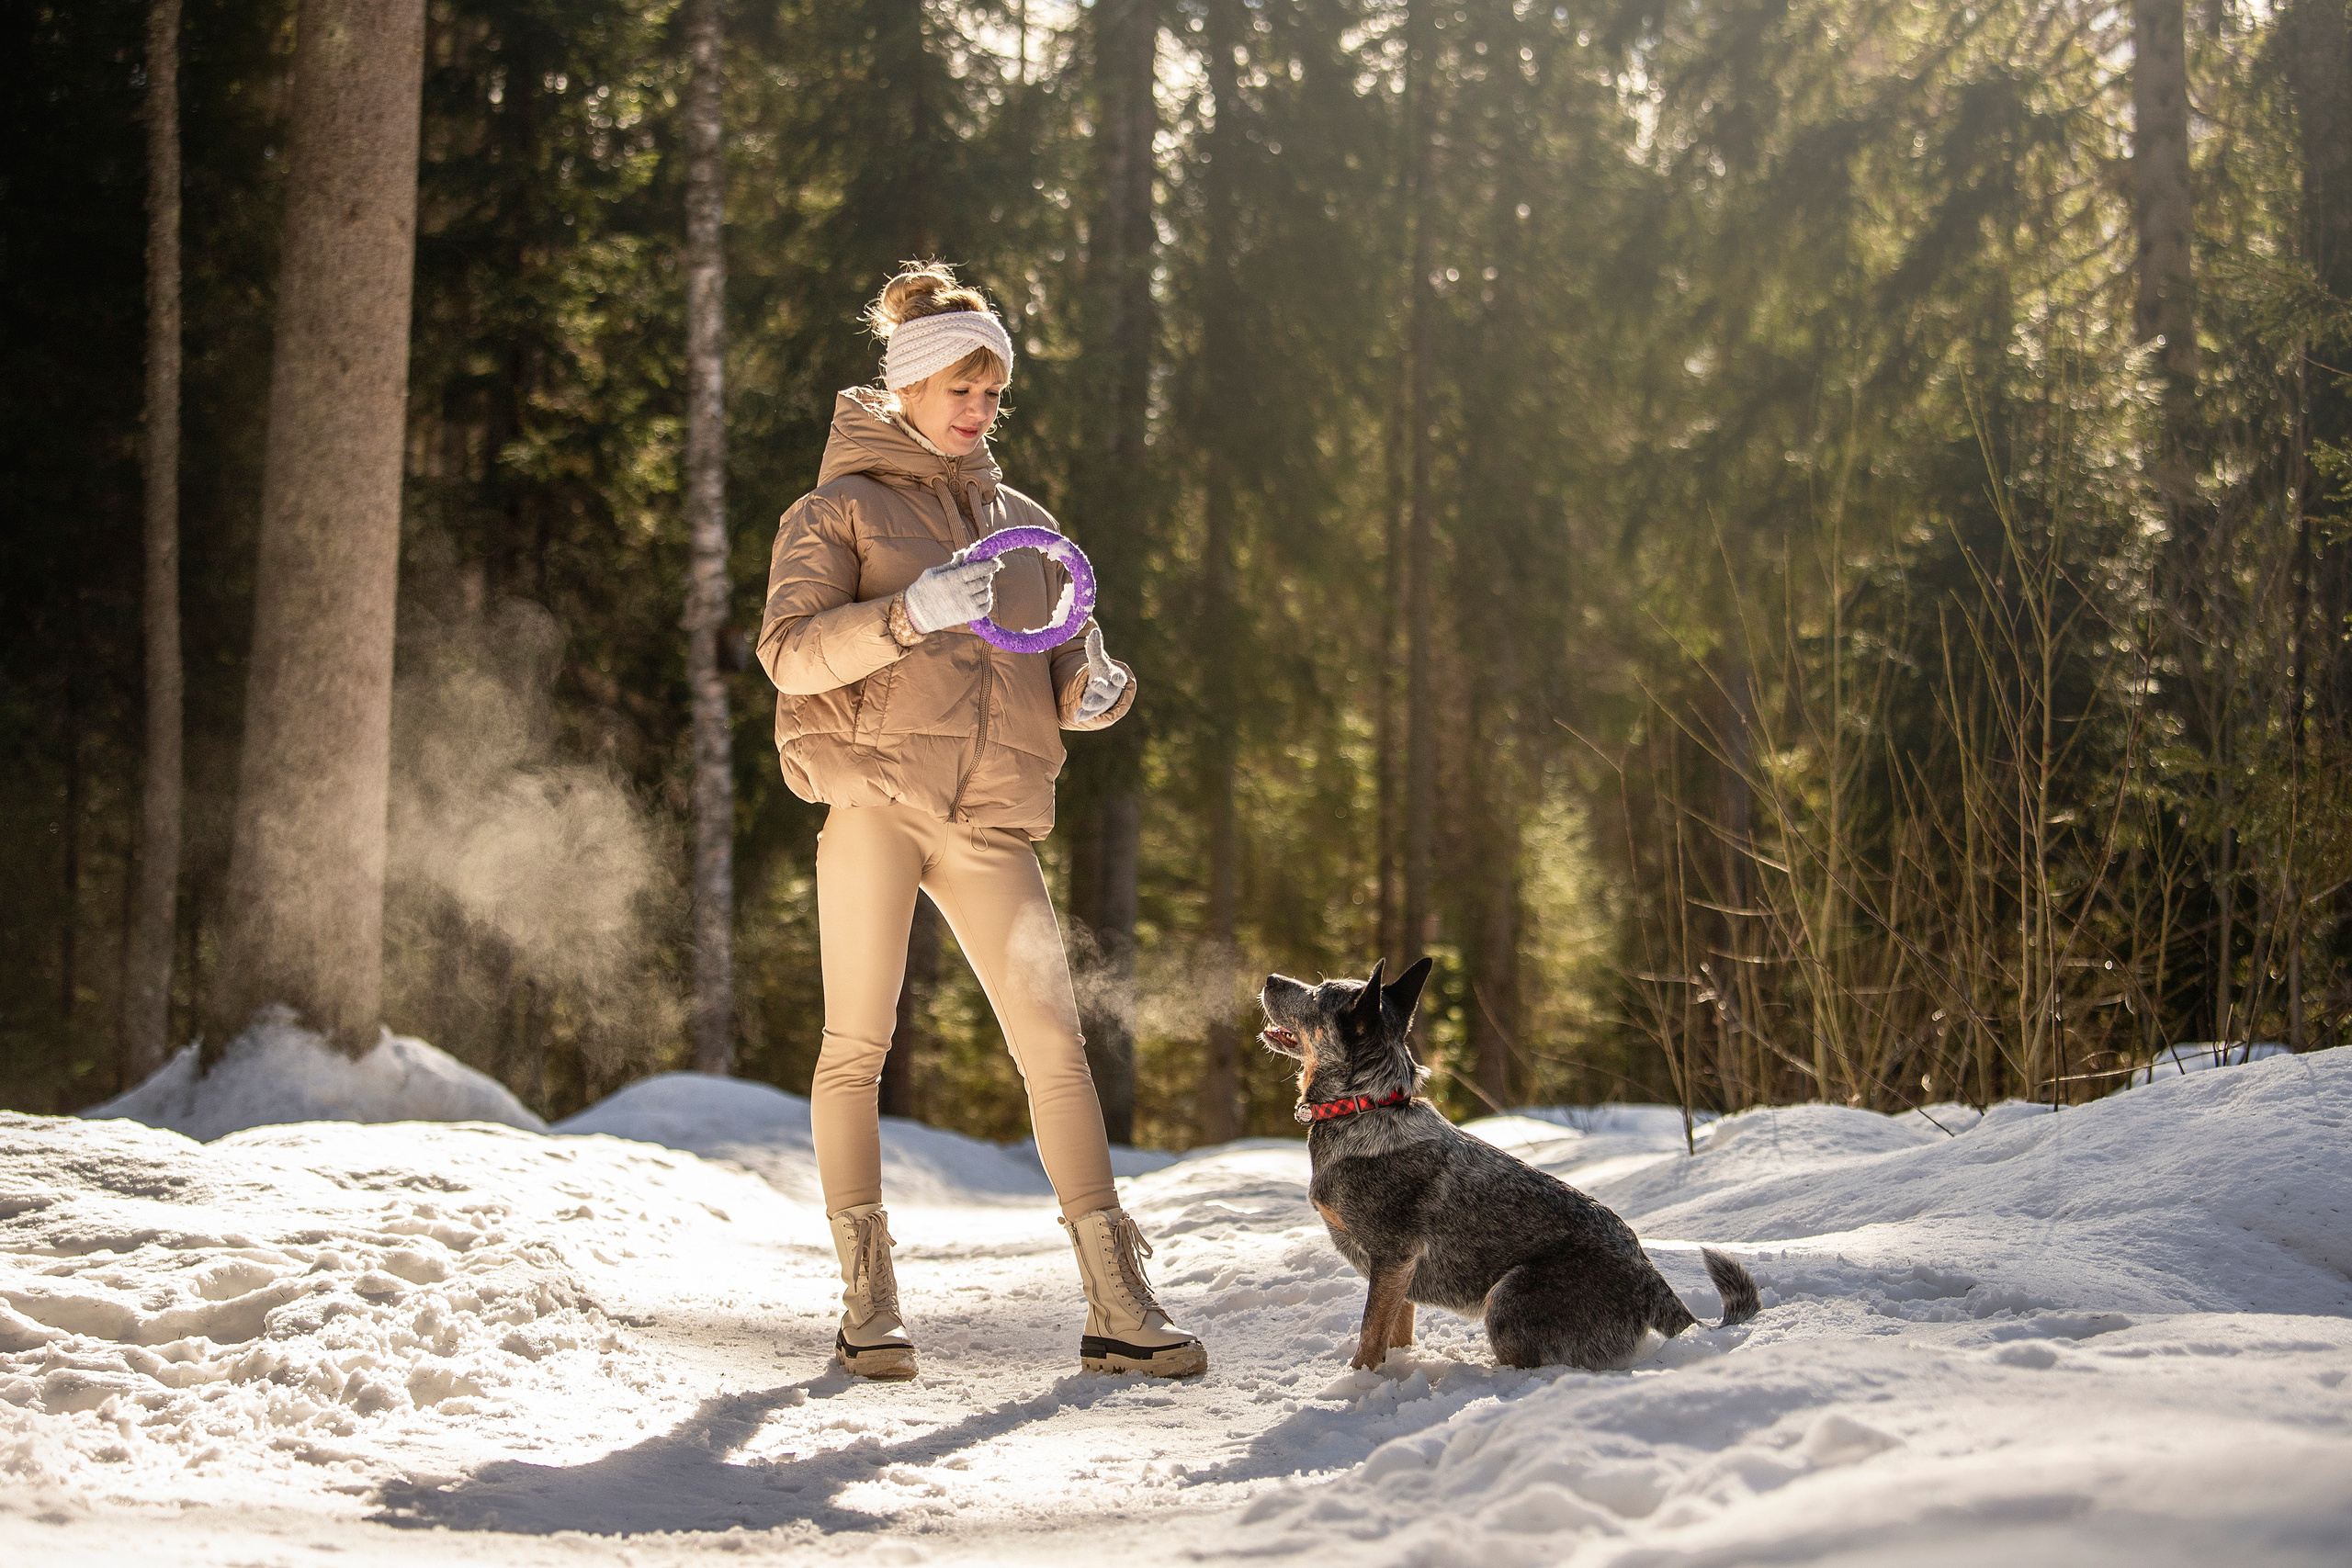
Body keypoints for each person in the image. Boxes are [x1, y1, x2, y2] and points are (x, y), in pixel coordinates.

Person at [756, 264, 1207, 1382]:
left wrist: (1096, 693)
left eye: (992, 393)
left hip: (991, 821)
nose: (976, 410)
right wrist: (906, 614)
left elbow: (1055, 671)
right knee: (855, 1046)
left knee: (1055, 1046)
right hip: (873, 803)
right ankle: (868, 1304)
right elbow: (790, 653)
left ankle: (1116, 1303)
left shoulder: (1027, 526)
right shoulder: (835, 512)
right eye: (959, 386)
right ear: (907, 388)